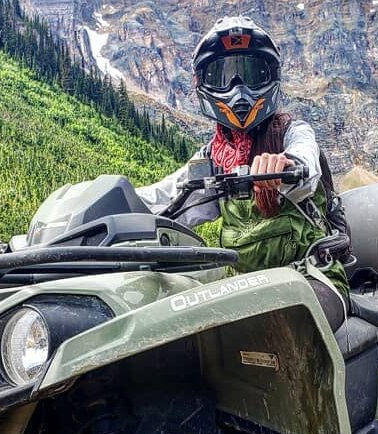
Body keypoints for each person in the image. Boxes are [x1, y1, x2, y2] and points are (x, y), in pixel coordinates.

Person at [137, 16, 350, 331]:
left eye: (251, 74)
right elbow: (168, 198)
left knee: (283, 329)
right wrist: (116, 203)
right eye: (224, 76)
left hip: (312, 279)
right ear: (204, 84)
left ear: (270, 78)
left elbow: (308, 165)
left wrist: (285, 165)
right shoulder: (213, 158)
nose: (238, 88)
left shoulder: (292, 132)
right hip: (244, 290)